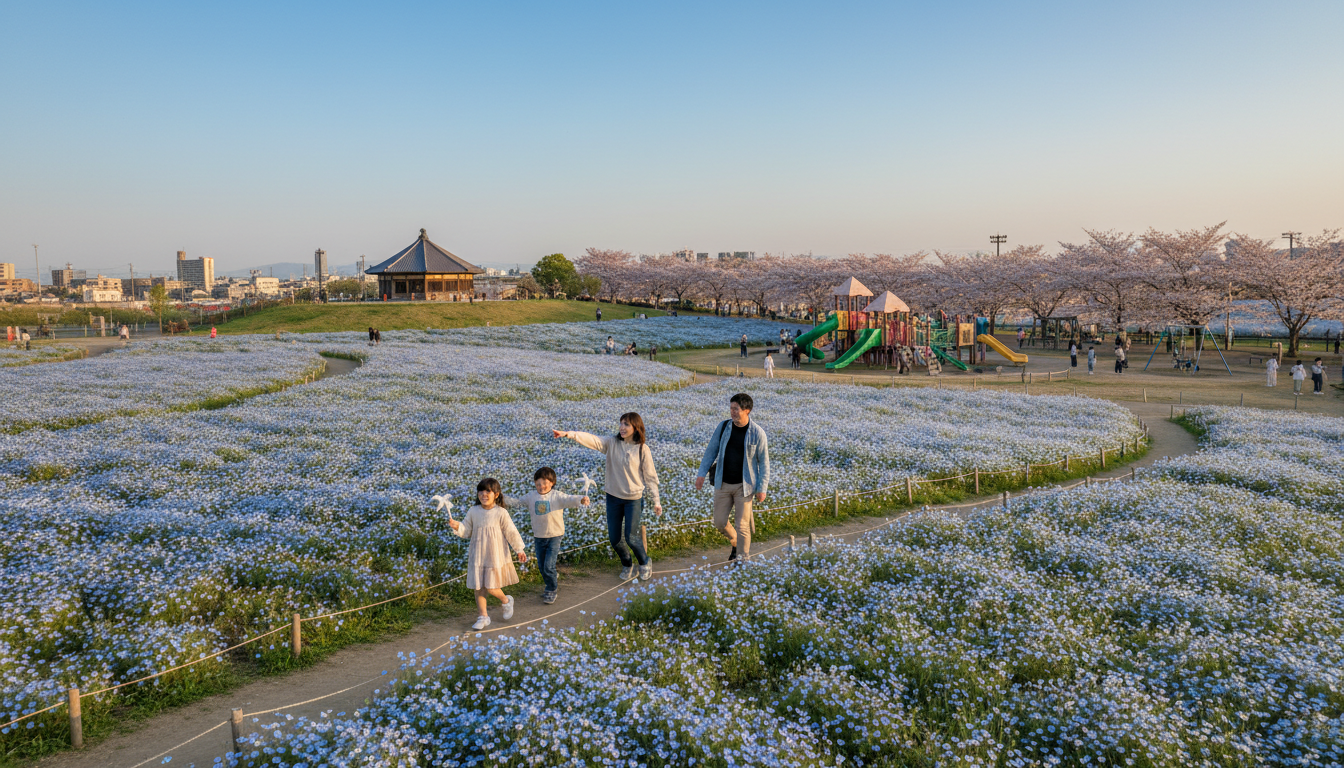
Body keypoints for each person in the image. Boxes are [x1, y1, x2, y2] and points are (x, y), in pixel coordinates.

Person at [553, 413, 661, 580]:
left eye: (626, 424)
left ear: (636, 428)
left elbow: (651, 477)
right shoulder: (612, 443)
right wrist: (569, 434)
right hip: (613, 498)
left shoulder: (642, 449)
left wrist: (656, 501)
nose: (622, 427)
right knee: (615, 539)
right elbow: (593, 440)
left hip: (633, 499)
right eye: (621, 424)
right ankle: (627, 564)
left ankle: (645, 562)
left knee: (631, 538)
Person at [696, 393, 769, 563]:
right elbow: (711, 451)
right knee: (719, 522)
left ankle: (742, 560)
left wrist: (762, 489)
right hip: (722, 483)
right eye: (731, 408)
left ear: (747, 410)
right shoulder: (723, 427)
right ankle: (735, 541)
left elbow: (764, 463)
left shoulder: (758, 433)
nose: (732, 412)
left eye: (736, 409)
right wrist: (701, 473)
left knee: (743, 525)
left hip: (744, 486)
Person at [448, 478, 528, 631]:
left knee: (491, 587)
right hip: (478, 554)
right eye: (481, 491)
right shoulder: (473, 511)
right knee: (479, 587)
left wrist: (519, 549)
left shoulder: (500, 512)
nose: (483, 494)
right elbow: (467, 531)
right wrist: (457, 525)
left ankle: (506, 601)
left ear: (496, 494)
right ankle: (483, 616)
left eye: (488, 492)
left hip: (495, 555)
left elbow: (511, 531)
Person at [519, 467, 588, 605]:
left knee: (548, 566)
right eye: (538, 484)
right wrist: (500, 499)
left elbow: (570, 499)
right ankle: (550, 581)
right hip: (539, 536)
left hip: (555, 535)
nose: (541, 486)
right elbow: (517, 503)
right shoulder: (531, 496)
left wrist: (581, 499)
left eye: (544, 483)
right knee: (541, 565)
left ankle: (551, 588)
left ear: (552, 483)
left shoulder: (557, 496)